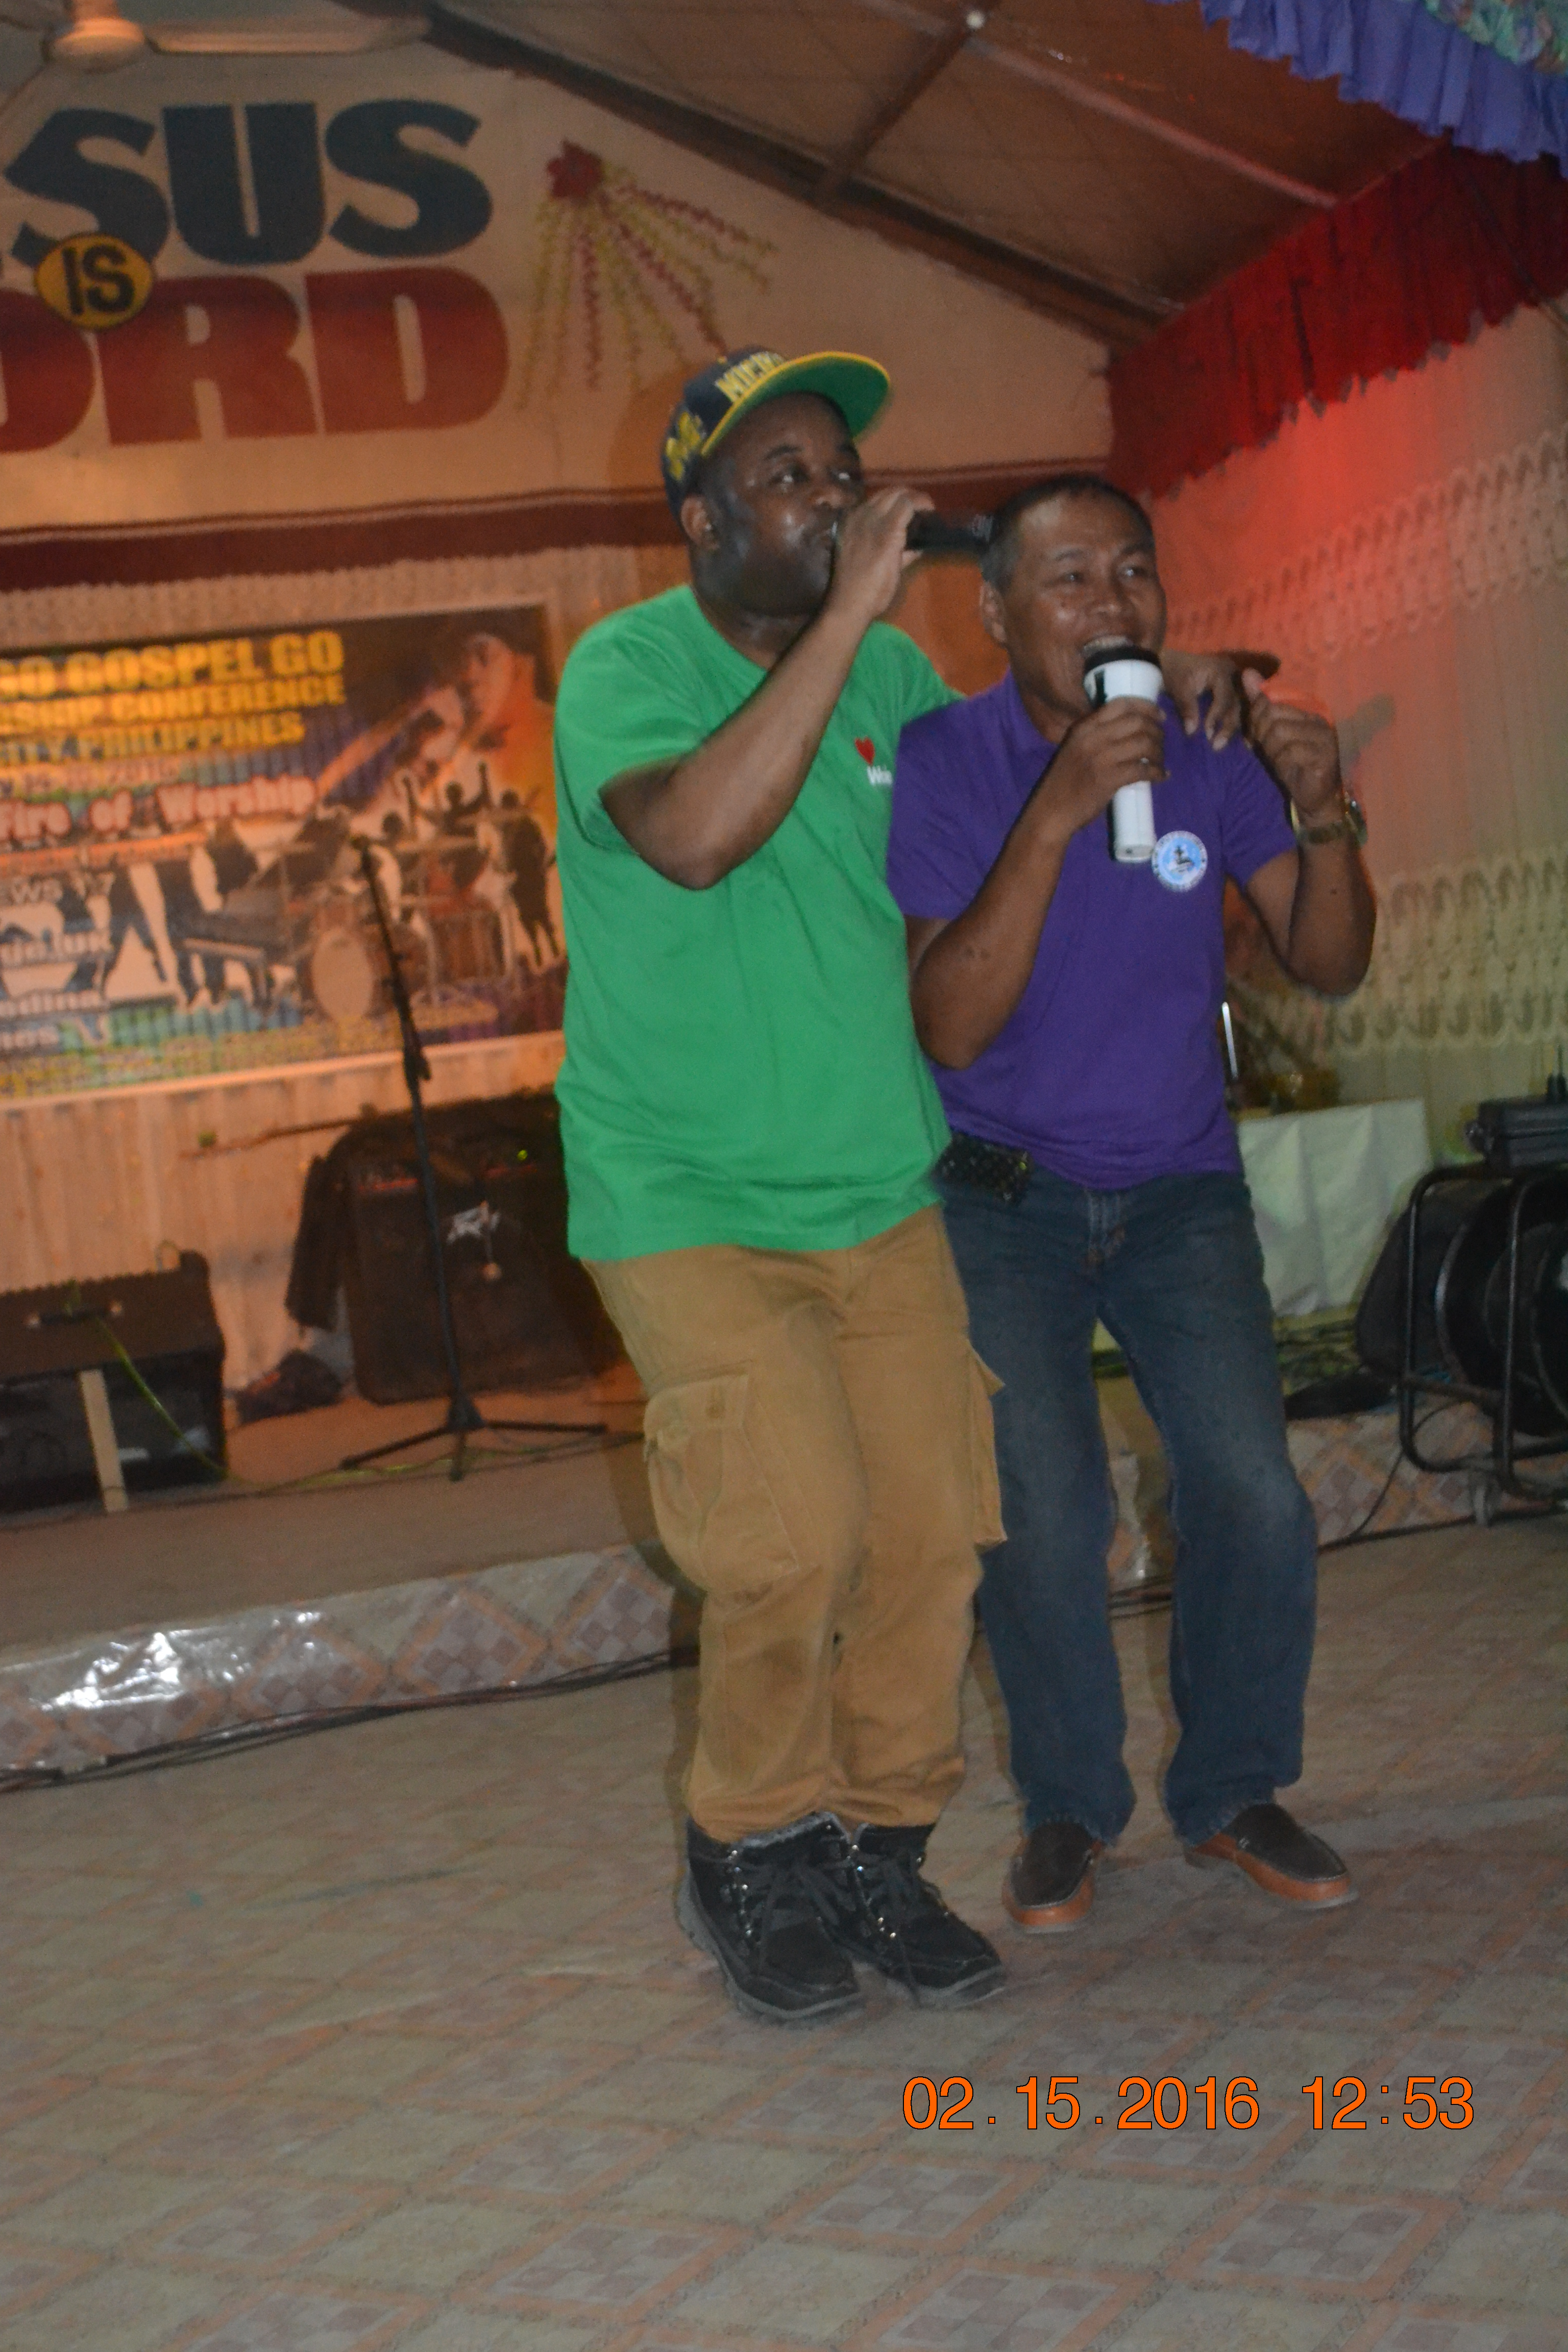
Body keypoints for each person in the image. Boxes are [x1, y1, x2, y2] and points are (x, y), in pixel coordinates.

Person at [552, 356, 1236, 2026]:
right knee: (793, 1537)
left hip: (877, 1183)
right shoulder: (625, 668)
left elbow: (1016, 774)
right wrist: (852, 614)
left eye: (843, 469)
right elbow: (698, 835)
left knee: (936, 1538)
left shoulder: (901, 680)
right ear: (703, 519)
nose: (835, 497)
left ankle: (880, 1847)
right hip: (687, 1194)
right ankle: (752, 1847)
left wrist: (1167, 693)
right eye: (788, 475)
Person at [887, 475, 1375, 1931]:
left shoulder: (1207, 744)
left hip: (1180, 1192)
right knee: (1044, 1516)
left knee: (1254, 1493)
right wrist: (1059, 811)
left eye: (1135, 572)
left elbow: (1331, 962)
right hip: (1002, 1200)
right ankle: (1067, 1810)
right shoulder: (947, 758)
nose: (1112, 603)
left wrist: (1324, 812)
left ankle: (1234, 1789)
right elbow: (949, 1026)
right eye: (1071, 578)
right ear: (996, 614)